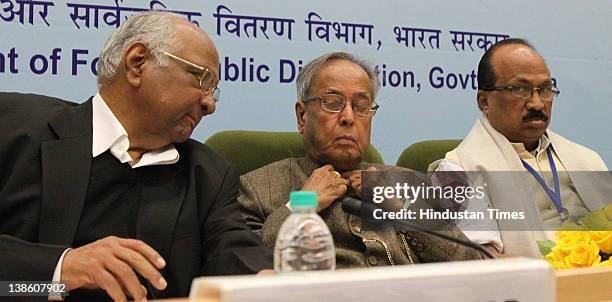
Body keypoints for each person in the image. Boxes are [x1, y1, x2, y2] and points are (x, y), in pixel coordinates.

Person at [0, 11, 271, 301]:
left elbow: (235, 251)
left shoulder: (209, 174)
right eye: (202, 79)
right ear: (137, 63)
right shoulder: (14, 128)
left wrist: (271, 280)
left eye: (214, 91)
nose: (209, 104)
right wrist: (58, 271)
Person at [239, 52, 483, 268]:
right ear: (302, 117)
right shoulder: (257, 189)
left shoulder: (408, 182)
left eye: (360, 106)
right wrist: (304, 205)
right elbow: (241, 264)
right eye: (332, 103)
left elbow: (472, 263)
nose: (348, 117)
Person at [430, 38, 612, 257]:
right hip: (536, 287)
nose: (537, 103)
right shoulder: (454, 173)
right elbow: (485, 260)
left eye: (544, 89)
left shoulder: (586, 158)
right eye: (520, 89)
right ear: (484, 101)